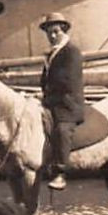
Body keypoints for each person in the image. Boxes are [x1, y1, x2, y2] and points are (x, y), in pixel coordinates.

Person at [38, 12, 84, 190]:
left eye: (56, 31)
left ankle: (60, 173)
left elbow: (67, 82)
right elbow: (45, 80)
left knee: (61, 129)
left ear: (64, 30)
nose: (52, 36)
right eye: (49, 32)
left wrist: (47, 99)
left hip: (68, 103)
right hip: (53, 100)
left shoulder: (71, 51)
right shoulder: (51, 54)